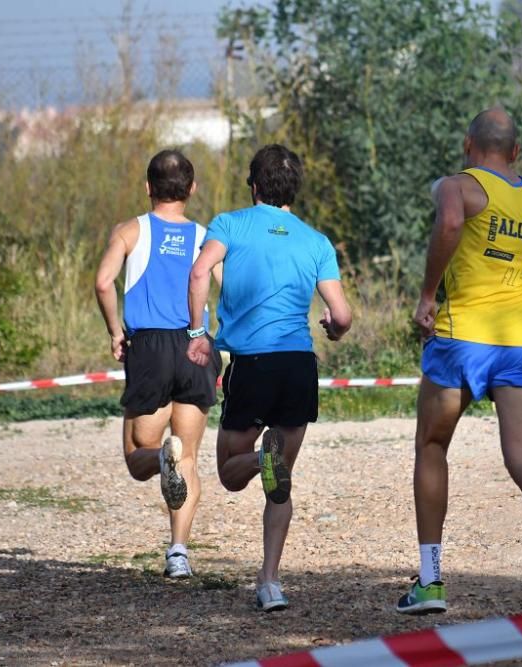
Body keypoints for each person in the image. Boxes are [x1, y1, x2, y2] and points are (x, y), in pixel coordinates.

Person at [396, 108, 522, 615]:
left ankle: (431, 582)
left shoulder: (456, 185)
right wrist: (514, 292)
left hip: (463, 338)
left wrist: (427, 294)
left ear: (467, 142)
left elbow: (452, 221)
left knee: (432, 445)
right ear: (516, 152)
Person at [186, 144, 352, 612]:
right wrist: (334, 330)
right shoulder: (316, 242)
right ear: (293, 191)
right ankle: (270, 582)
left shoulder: (230, 224)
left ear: (254, 185)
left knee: (229, 473)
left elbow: (200, 272)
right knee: (281, 482)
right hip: (298, 365)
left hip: (252, 366)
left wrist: (199, 332)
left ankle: (262, 456)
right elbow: (341, 314)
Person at [94, 148, 222, 579]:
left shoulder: (131, 231)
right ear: (192, 189)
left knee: (137, 458)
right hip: (196, 345)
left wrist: (116, 330)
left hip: (149, 346)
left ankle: (160, 459)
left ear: (148, 187)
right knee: (188, 457)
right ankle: (179, 553)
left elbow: (102, 281)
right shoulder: (207, 236)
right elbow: (235, 290)